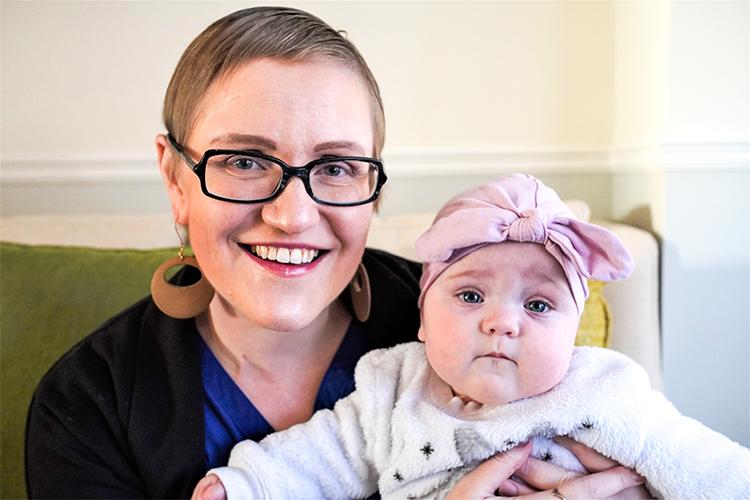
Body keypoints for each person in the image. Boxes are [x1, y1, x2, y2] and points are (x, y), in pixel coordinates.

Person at [25, 7, 646, 498]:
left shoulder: (479, 326)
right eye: (243, 161)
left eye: (337, 166)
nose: (292, 216)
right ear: (174, 178)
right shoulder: (89, 403)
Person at [194, 174, 750, 500]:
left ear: (573, 334)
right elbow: (319, 457)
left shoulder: (604, 390)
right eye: (469, 296)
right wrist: (245, 484)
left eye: (537, 305)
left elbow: (697, 461)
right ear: (422, 318)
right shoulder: (392, 386)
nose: (502, 322)